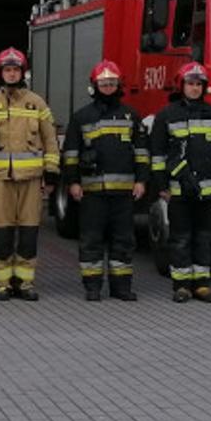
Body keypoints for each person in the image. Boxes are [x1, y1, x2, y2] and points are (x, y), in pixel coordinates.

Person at [0, 48, 59, 301]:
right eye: (7, 70)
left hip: (31, 180)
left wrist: (51, 174)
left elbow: (50, 140)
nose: (11, 74)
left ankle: (26, 284)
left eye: (15, 70)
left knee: (29, 233)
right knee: (1, 232)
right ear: (0, 73)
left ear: (23, 72)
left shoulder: (37, 103)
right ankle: (3, 284)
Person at [61, 60, 148, 301]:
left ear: (118, 85)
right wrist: (73, 183)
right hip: (92, 192)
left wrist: (142, 181)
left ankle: (121, 288)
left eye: (112, 83)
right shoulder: (81, 117)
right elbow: (70, 154)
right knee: (91, 240)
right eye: (103, 83)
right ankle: (93, 287)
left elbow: (141, 152)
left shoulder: (131, 115)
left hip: (124, 193)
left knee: (123, 241)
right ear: (94, 86)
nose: (108, 87)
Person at [149, 61, 211, 304]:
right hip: (178, 190)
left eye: (199, 84)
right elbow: (157, 155)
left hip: (207, 191)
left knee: (204, 237)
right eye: (190, 84)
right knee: (180, 237)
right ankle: (182, 285)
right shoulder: (166, 115)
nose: (195, 88)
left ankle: (202, 285)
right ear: (181, 85)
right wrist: (162, 186)